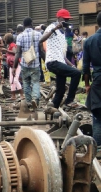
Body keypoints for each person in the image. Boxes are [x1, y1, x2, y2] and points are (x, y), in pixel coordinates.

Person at [40, 9, 81, 109]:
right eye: (65, 19)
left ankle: (53, 110)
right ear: (59, 18)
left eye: (67, 20)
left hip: (60, 61)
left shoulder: (63, 34)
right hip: (53, 61)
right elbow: (41, 40)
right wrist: (55, 29)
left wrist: (71, 65)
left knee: (61, 90)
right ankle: (69, 101)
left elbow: (62, 54)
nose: (66, 21)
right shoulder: (52, 27)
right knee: (76, 73)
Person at [13, 17, 42, 109]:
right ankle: (35, 98)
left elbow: (17, 53)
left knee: (25, 82)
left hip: (25, 64)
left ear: (23, 25)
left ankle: (29, 101)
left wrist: (14, 67)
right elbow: (41, 51)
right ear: (31, 23)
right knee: (35, 82)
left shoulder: (20, 36)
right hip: (35, 63)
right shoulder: (38, 34)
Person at [83, 12, 101, 151]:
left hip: (98, 81)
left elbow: (85, 67)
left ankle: (98, 149)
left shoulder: (89, 41)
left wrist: (87, 85)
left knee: (97, 116)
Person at [4, 33, 24, 100]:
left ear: (8, 39)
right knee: (11, 81)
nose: (5, 40)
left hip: (16, 65)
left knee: (15, 80)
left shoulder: (13, 45)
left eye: (5, 39)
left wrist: (6, 50)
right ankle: (13, 96)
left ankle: (22, 95)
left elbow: (15, 52)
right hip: (11, 65)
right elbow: (10, 54)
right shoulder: (9, 45)